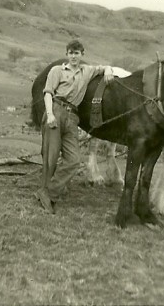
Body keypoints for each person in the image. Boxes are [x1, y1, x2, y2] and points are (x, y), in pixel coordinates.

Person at [34, 40, 114, 213]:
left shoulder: (87, 71)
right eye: (70, 53)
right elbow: (48, 93)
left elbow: (104, 67)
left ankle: (48, 192)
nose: (73, 56)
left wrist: (108, 70)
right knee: (51, 156)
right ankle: (48, 194)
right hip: (56, 110)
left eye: (77, 53)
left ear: (82, 55)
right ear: (67, 54)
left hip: (72, 118)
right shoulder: (57, 71)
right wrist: (49, 115)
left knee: (74, 160)